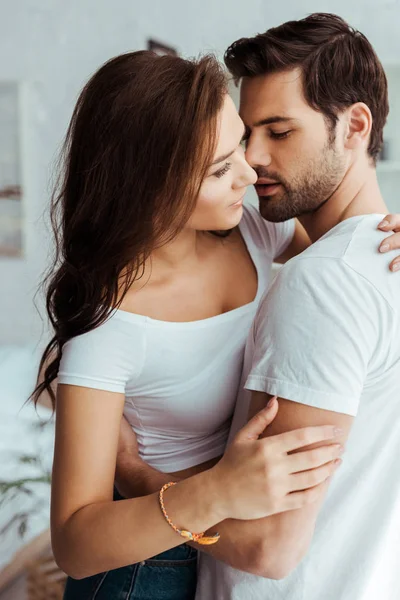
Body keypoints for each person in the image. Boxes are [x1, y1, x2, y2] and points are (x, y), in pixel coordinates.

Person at [31, 50, 350, 600]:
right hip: (141, 566)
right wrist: (216, 491)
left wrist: (381, 232)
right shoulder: (110, 325)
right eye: (222, 168)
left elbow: (340, 256)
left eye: (242, 145)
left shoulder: (252, 232)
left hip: (222, 545)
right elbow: (74, 544)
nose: (251, 174)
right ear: (149, 187)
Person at [192, 13, 400, 600]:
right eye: (245, 134)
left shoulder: (326, 282)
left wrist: (137, 478)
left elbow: (267, 546)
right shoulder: (380, 266)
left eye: (279, 133)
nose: (252, 158)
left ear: (355, 125)